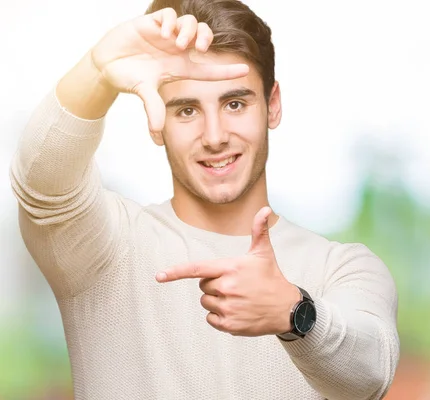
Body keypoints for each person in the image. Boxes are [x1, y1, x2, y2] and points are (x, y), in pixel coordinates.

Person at [9, 0, 400, 399]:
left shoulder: (344, 268)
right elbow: (41, 181)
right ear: (156, 119)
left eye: (235, 104)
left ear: (273, 104)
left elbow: (370, 374)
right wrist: (98, 69)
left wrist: (294, 313)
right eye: (186, 110)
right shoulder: (105, 249)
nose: (214, 136)